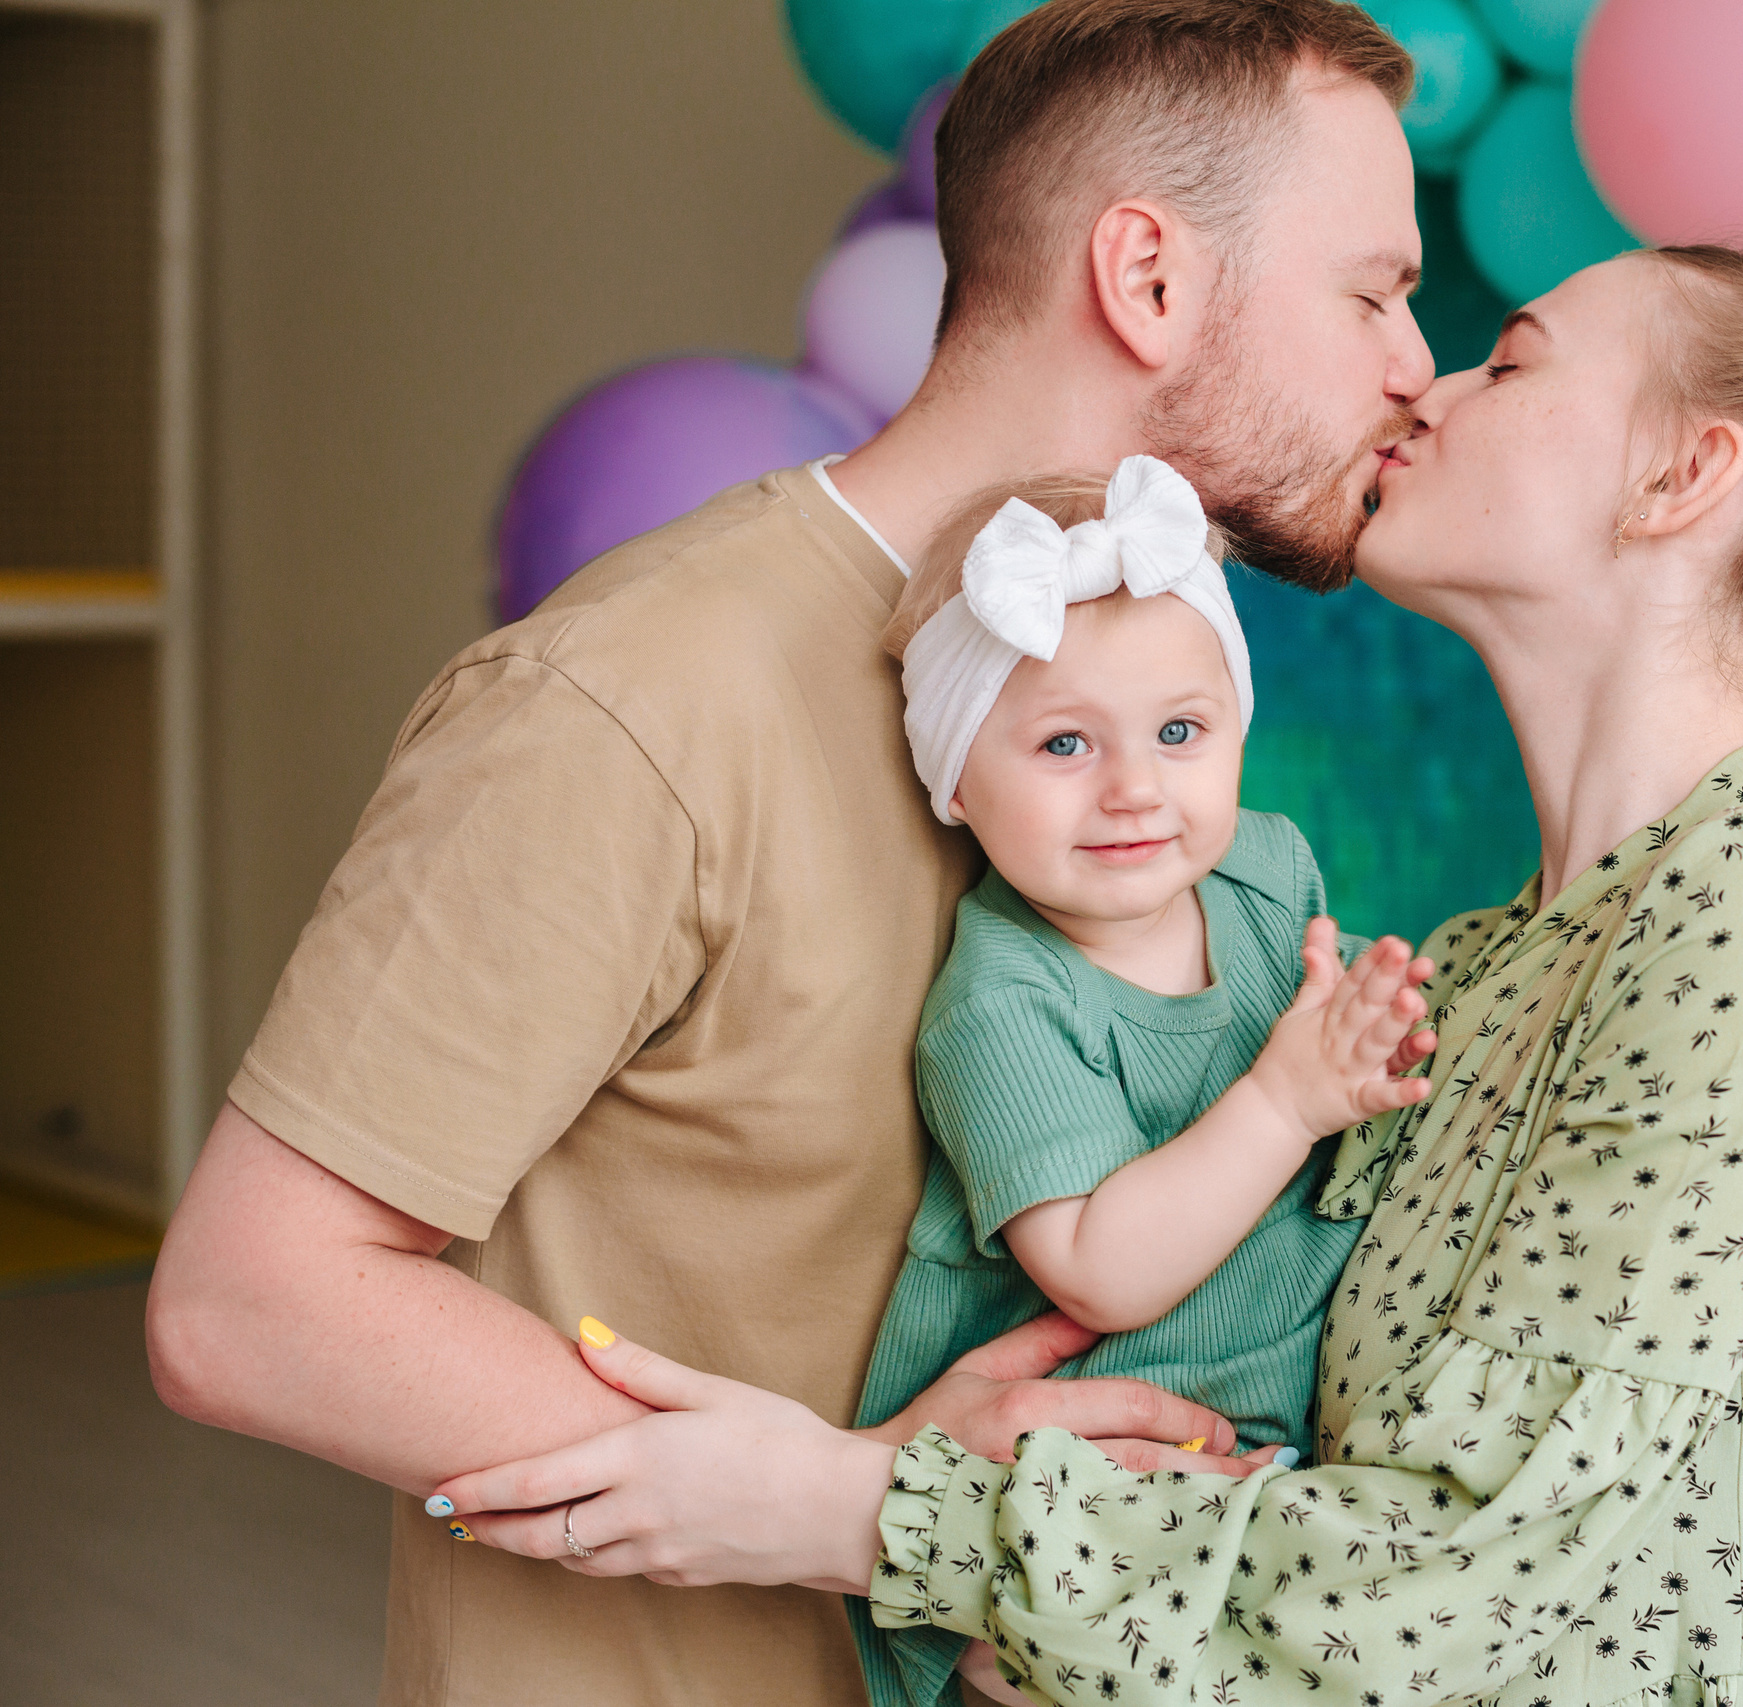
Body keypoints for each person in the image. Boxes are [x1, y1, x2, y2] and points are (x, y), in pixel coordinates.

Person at [429, 247, 1743, 1707]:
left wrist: (864, 1509)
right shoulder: (1471, 963)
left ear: (1682, 476)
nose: (1426, 389)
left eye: (1510, 364)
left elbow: (1464, 1570)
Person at [143, 3, 1430, 1702]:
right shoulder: (632, 698)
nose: (1415, 363)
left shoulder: (1150, 726)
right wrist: (869, 1503)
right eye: (1373, 293)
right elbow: (247, 1306)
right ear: (1150, 279)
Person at [855, 456, 1439, 1707]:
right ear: (956, 780)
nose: (1133, 789)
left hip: (1273, 1449)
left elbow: (1333, 1073)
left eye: (1180, 733)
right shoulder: (1000, 1002)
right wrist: (1288, 1099)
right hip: (1075, 1483)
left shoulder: (1271, 874)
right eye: (1064, 742)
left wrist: (1372, 1038)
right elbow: (1101, 1269)